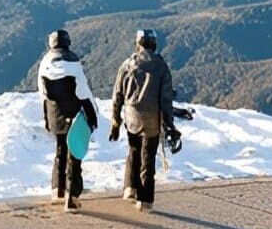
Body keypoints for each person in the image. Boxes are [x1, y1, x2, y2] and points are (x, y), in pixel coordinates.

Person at [110, 29, 175, 212]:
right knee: (148, 157)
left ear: (138, 43)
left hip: (132, 115)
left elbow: (118, 94)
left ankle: (130, 188)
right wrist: (168, 124)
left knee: (134, 150)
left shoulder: (128, 64)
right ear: (154, 44)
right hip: (152, 119)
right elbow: (166, 99)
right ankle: (145, 200)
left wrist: (115, 120)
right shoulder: (161, 67)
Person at [38, 29, 99, 213]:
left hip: (53, 113)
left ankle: (57, 190)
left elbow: (42, 93)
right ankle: (72, 198)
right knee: (75, 154)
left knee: (60, 150)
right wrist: (93, 116)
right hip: (74, 114)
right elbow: (83, 91)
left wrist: (47, 118)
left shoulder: (45, 62)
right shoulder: (73, 61)